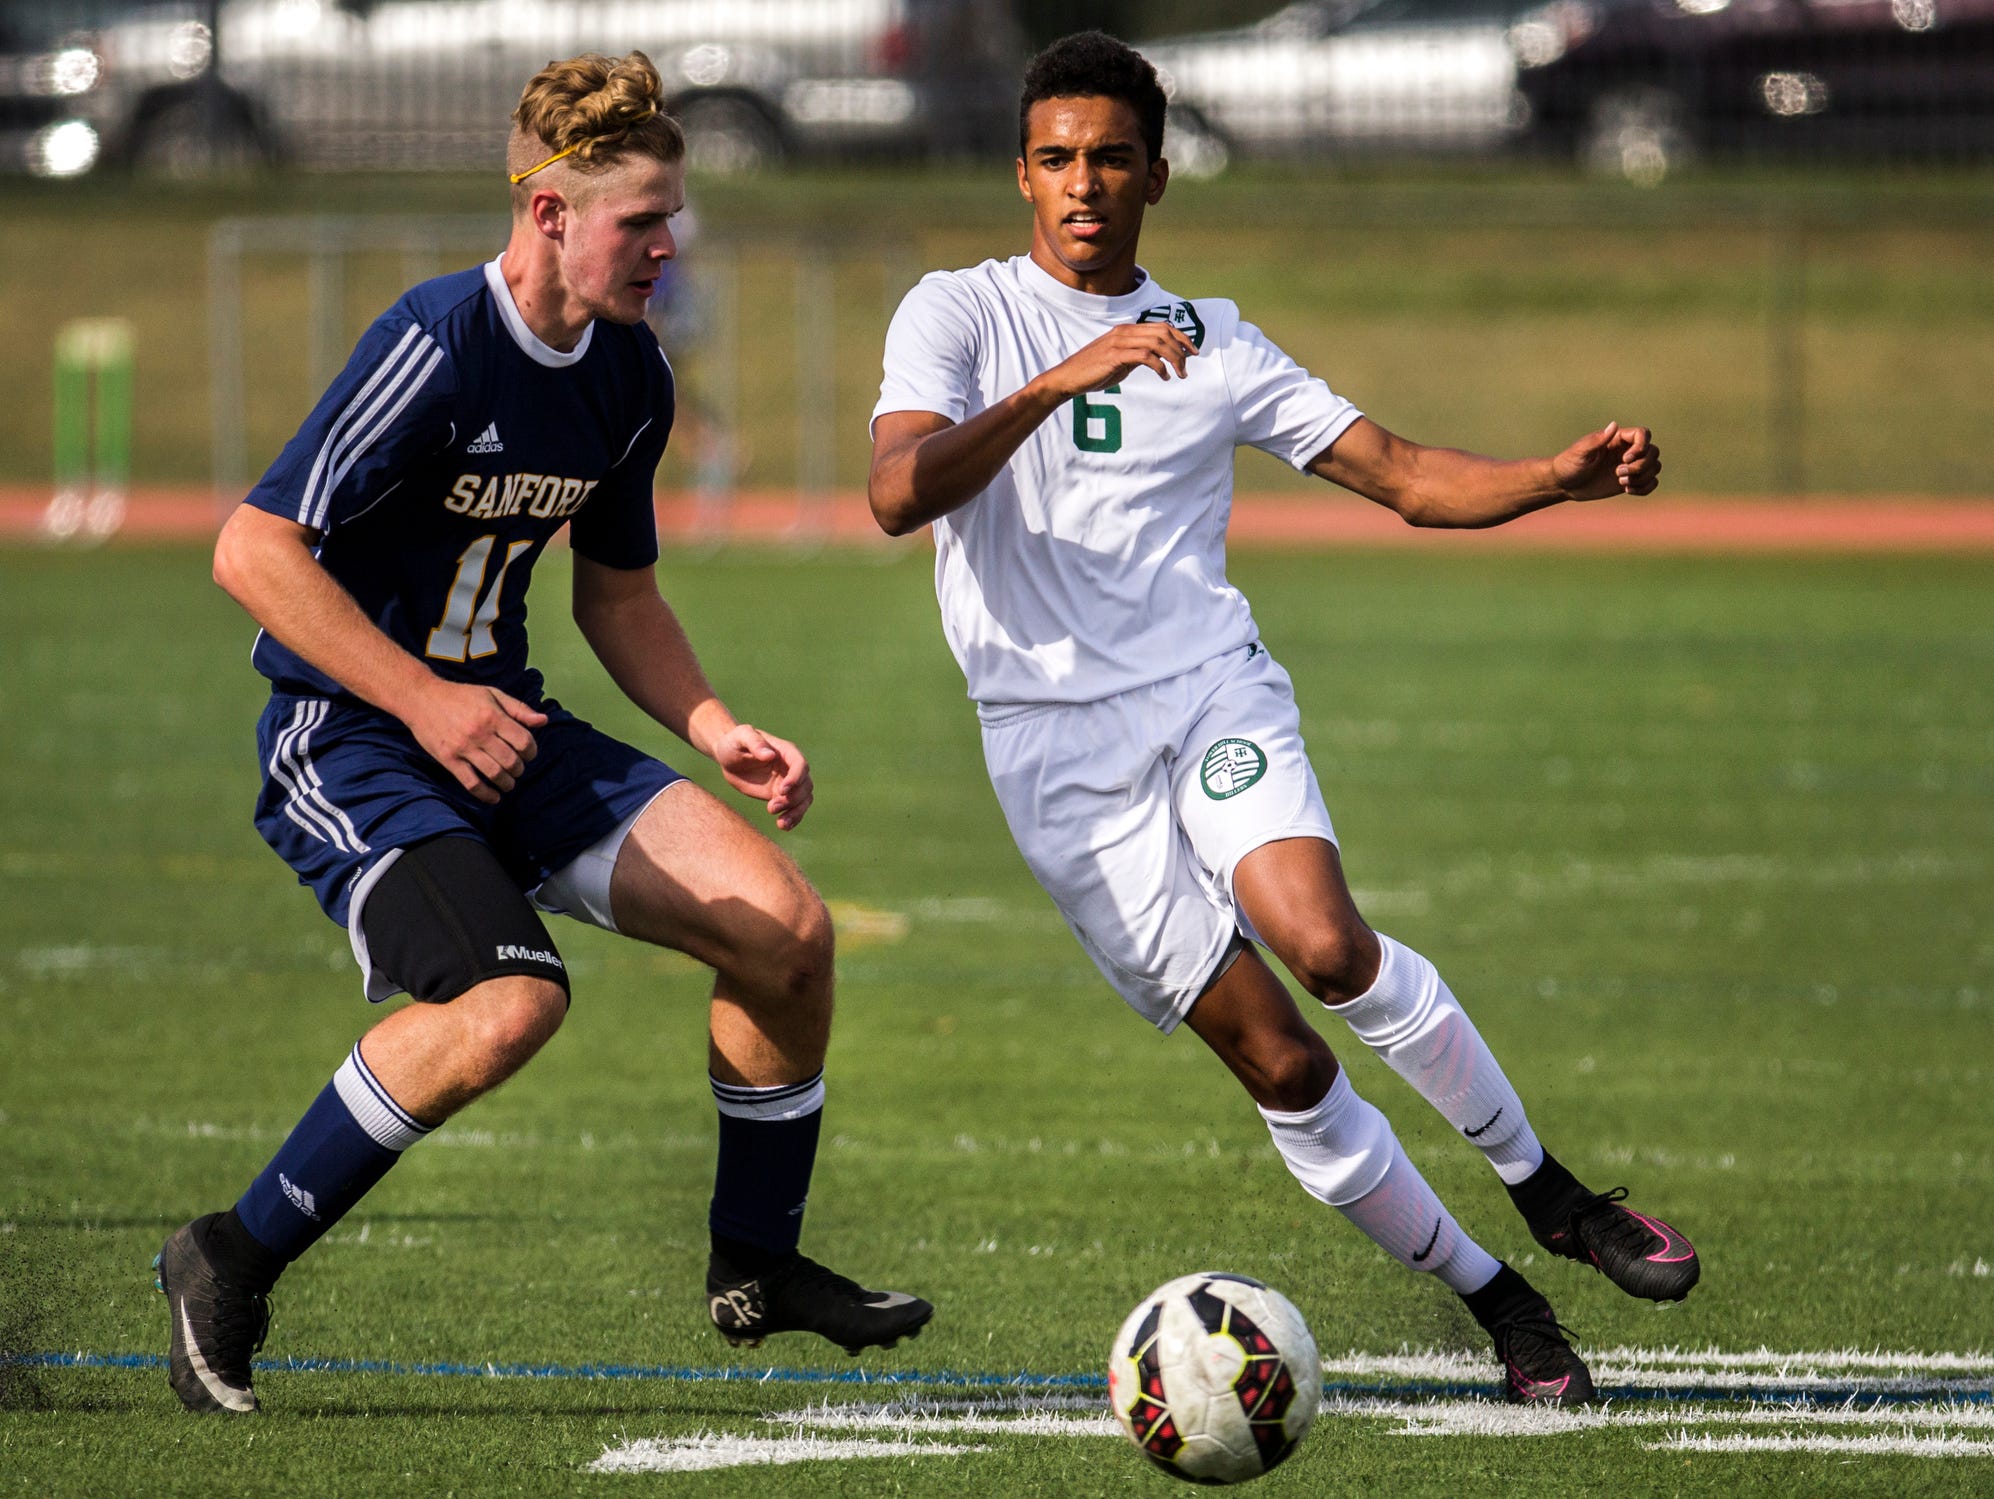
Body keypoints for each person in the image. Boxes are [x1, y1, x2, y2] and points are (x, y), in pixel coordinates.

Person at [867, 31, 1697, 1409]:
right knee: (1283, 1061)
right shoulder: (957, 315)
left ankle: (1550, 1193)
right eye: (1059, 159)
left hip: (1206, 692)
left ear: (1157, 177)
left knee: (1323, 941)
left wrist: (1556, 476)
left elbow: (1407, 478)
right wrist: (1046, 386)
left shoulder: (1215, 340)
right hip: (1055, 756)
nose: (1084, 185)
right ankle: (1503, 1303)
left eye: (1112, 160)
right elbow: (898, 493)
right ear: (1022, 173)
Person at [157, 51, 931, 1417]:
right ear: (548, 213)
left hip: (505, 731)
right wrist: (423, 699)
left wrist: (713, 723)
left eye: (671, 215)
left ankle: (754, 1265)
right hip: (355, 741)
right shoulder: (433, 343)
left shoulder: (628, 374)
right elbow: (253, 548)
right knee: (508, 1002)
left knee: (782, 930)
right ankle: (227, 1254)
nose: (666, 245)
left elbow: (618, 590)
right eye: (642, 221)